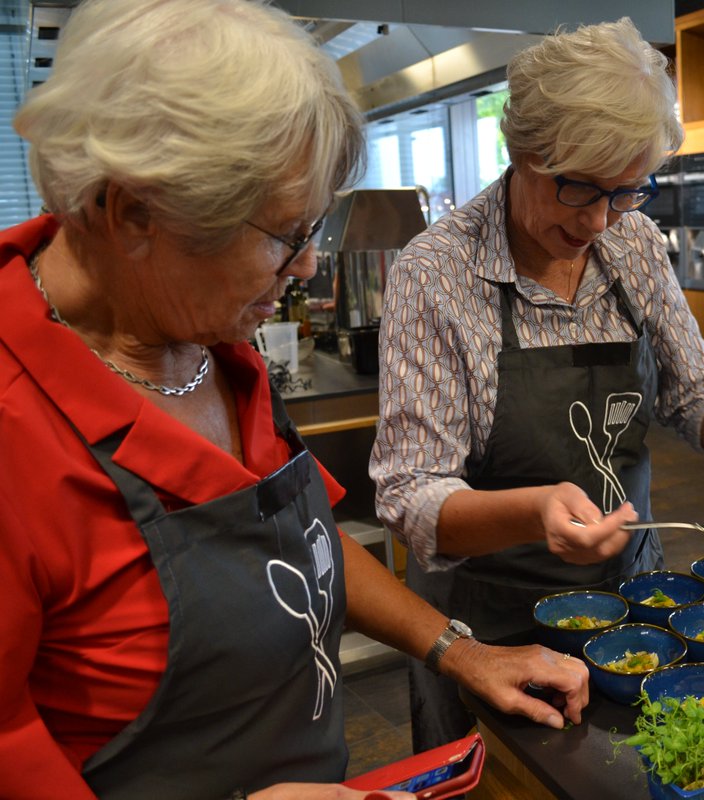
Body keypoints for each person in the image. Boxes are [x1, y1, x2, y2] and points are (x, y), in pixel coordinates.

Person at [0, 1, 589, 798]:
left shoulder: (210, 338)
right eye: (283, 234)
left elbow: (296, 535)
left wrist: (459, 650)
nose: (309, 265)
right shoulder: (17, 427)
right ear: (133, 211)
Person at [370, 17, 704, 751]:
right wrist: (535, 511)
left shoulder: (631, 241)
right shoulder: (436, 273)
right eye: (579, 190)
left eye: (629, 191)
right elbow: (410, 496)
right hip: (492, 626)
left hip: (635, 602)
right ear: (522, 151)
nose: (600, 220)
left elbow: (692, 388)